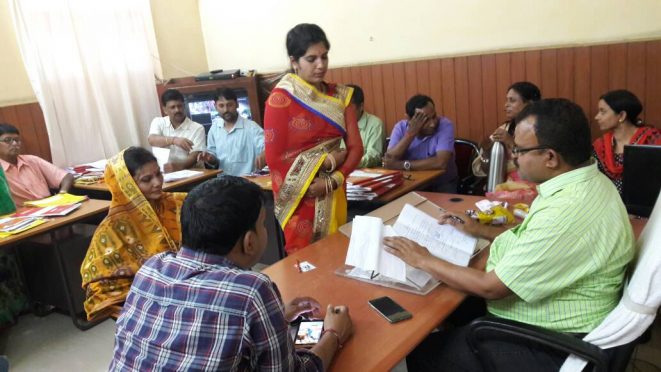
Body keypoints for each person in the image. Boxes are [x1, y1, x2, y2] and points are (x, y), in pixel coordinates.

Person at [384, 99, 634, 371]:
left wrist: (421, 258)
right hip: (550, 315)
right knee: (444, 305)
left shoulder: (566, 211)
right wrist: (477, 229)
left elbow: (490, 287)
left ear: (550, 157)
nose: (514, 156)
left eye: (520, 150)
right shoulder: (584, 183)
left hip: (552, 342)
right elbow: (533, 234)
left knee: (416, 350)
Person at [109, 176, 353, 371]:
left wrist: (273, 318)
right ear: (249, 242)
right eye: (263, 224)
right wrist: (333, 334)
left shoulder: (152, 267)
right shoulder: (252, 289)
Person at [264, 23, 363, 254]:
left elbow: (356, 148)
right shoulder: (280, 100)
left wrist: (333, 179)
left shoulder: (340, 96)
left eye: (325, 57)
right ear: (294, 61)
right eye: (311, 59)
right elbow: (276, 160)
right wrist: (329, 160)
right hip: (300, 198)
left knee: (337, 254)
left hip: (334, 190)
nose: (321, 65)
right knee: (304, 263)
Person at [80, 147, 185, 321]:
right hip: (147, 306)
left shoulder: (175, 203)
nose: (157, 183)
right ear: (126, 186)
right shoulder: (110, 230)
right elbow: (98, 284)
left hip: (187, 288)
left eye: (159, 174)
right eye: (146, 179)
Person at [592, 89, 661, 195]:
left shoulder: (652, 140)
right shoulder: (600, 146)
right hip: (608, 206)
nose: (597, 117)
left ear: (622, 116)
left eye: (603, 112)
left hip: (646, 206)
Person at [384, 94, 458, 192]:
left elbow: (441, 162)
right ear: (409, 119)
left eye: (434, 116)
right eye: (425, 120)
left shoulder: (445, 125)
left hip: (440, 184)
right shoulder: (400, 127)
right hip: (409, 183)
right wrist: (411, 134)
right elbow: (389, 159)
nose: (432, 124)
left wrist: (402, 165)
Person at [472, 81, 541, 184]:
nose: (506, 105)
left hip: (533, 189)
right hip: (503, 189)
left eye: (512, 101)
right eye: (507, 100)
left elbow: (537, 166)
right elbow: (487, 171)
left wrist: (510, 142)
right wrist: (487, 151)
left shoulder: (541, 129)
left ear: (529, 104)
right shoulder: (504, 129)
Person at [0, 123, 74, 206]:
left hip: (51, 205)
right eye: (7, 140)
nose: (14, 144)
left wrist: (62, 194)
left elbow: (66, 177)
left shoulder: (32, 160)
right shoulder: (1, 171)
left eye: (17, 140)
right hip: (23, 213)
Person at [198, 88, 265, 176]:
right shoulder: (214, 129)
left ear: (237, 104)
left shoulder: (252, 128)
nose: (226, 110)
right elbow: (213, 156)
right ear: (215, 107)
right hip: (223, 183)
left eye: (229, 105)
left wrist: (264, 155)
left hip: (247, 183)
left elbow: (267, 147)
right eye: (221, 106)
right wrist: (209, 158)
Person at [148, 89, 206, 172]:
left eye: (179, 106)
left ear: (184, 106)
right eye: (172, 107)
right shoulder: (158, 122)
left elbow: (194, 156)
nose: (177, 110)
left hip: (192, 173)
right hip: (165, 175)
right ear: (165, 110)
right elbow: (152, 140)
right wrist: (174, 140)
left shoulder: (198, 128)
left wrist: (179, 167)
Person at [346, 84, 385, 168]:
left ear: (361, 106)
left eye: (349, 108)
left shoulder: (375, 124)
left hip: (365, 173)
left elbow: (373, 156)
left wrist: (349, 164)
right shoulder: (339, 123)